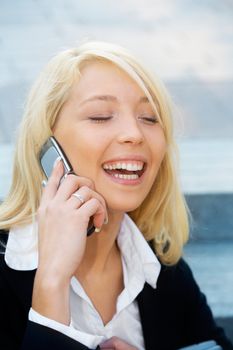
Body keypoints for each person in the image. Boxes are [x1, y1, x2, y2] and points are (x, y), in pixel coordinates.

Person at [0, 41, 232, 350]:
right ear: (48, 145)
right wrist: (51, 283)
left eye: (149, 118)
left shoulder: (160, 265)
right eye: (99, 116)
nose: (134, 134)